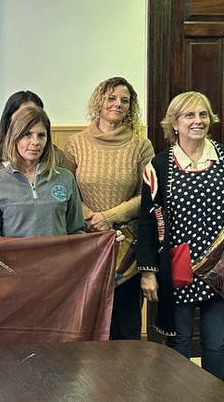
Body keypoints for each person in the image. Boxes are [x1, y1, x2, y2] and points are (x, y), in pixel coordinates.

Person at [137, 91, 224, 380]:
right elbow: (148, 222)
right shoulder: (158, 167)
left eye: (203, 115)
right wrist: (148, 272)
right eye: (189, 115)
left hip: (221, 267)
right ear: (174, 123)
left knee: (216, 343)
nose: (197, 121)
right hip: (179, 268)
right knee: (179, 343)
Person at [64, 77, 155, 340]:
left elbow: (147, 195)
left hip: (127, 249)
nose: (117, 104)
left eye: (124, 100)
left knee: (125, 328)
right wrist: (90, 217)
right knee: (87, 326)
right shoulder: (76, 143)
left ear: (131, 107)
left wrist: (110, 216)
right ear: (99, 101)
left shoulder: (141, 146)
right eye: (111, 98)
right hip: (87, 245)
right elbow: (66, 191)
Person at [0, 106, 85, 237]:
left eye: (41, 135)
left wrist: (108, 241)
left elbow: (77, 231)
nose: (35, 142)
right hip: (15, 257)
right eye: (27, 135)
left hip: (59, 257)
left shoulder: (65, 178)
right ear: (15, 138)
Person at [0, 90, 75, 205]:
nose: (27, 119)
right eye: (21, 115)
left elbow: (71, 199)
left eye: (33, 114)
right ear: (9, 121)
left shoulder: (58, 157)